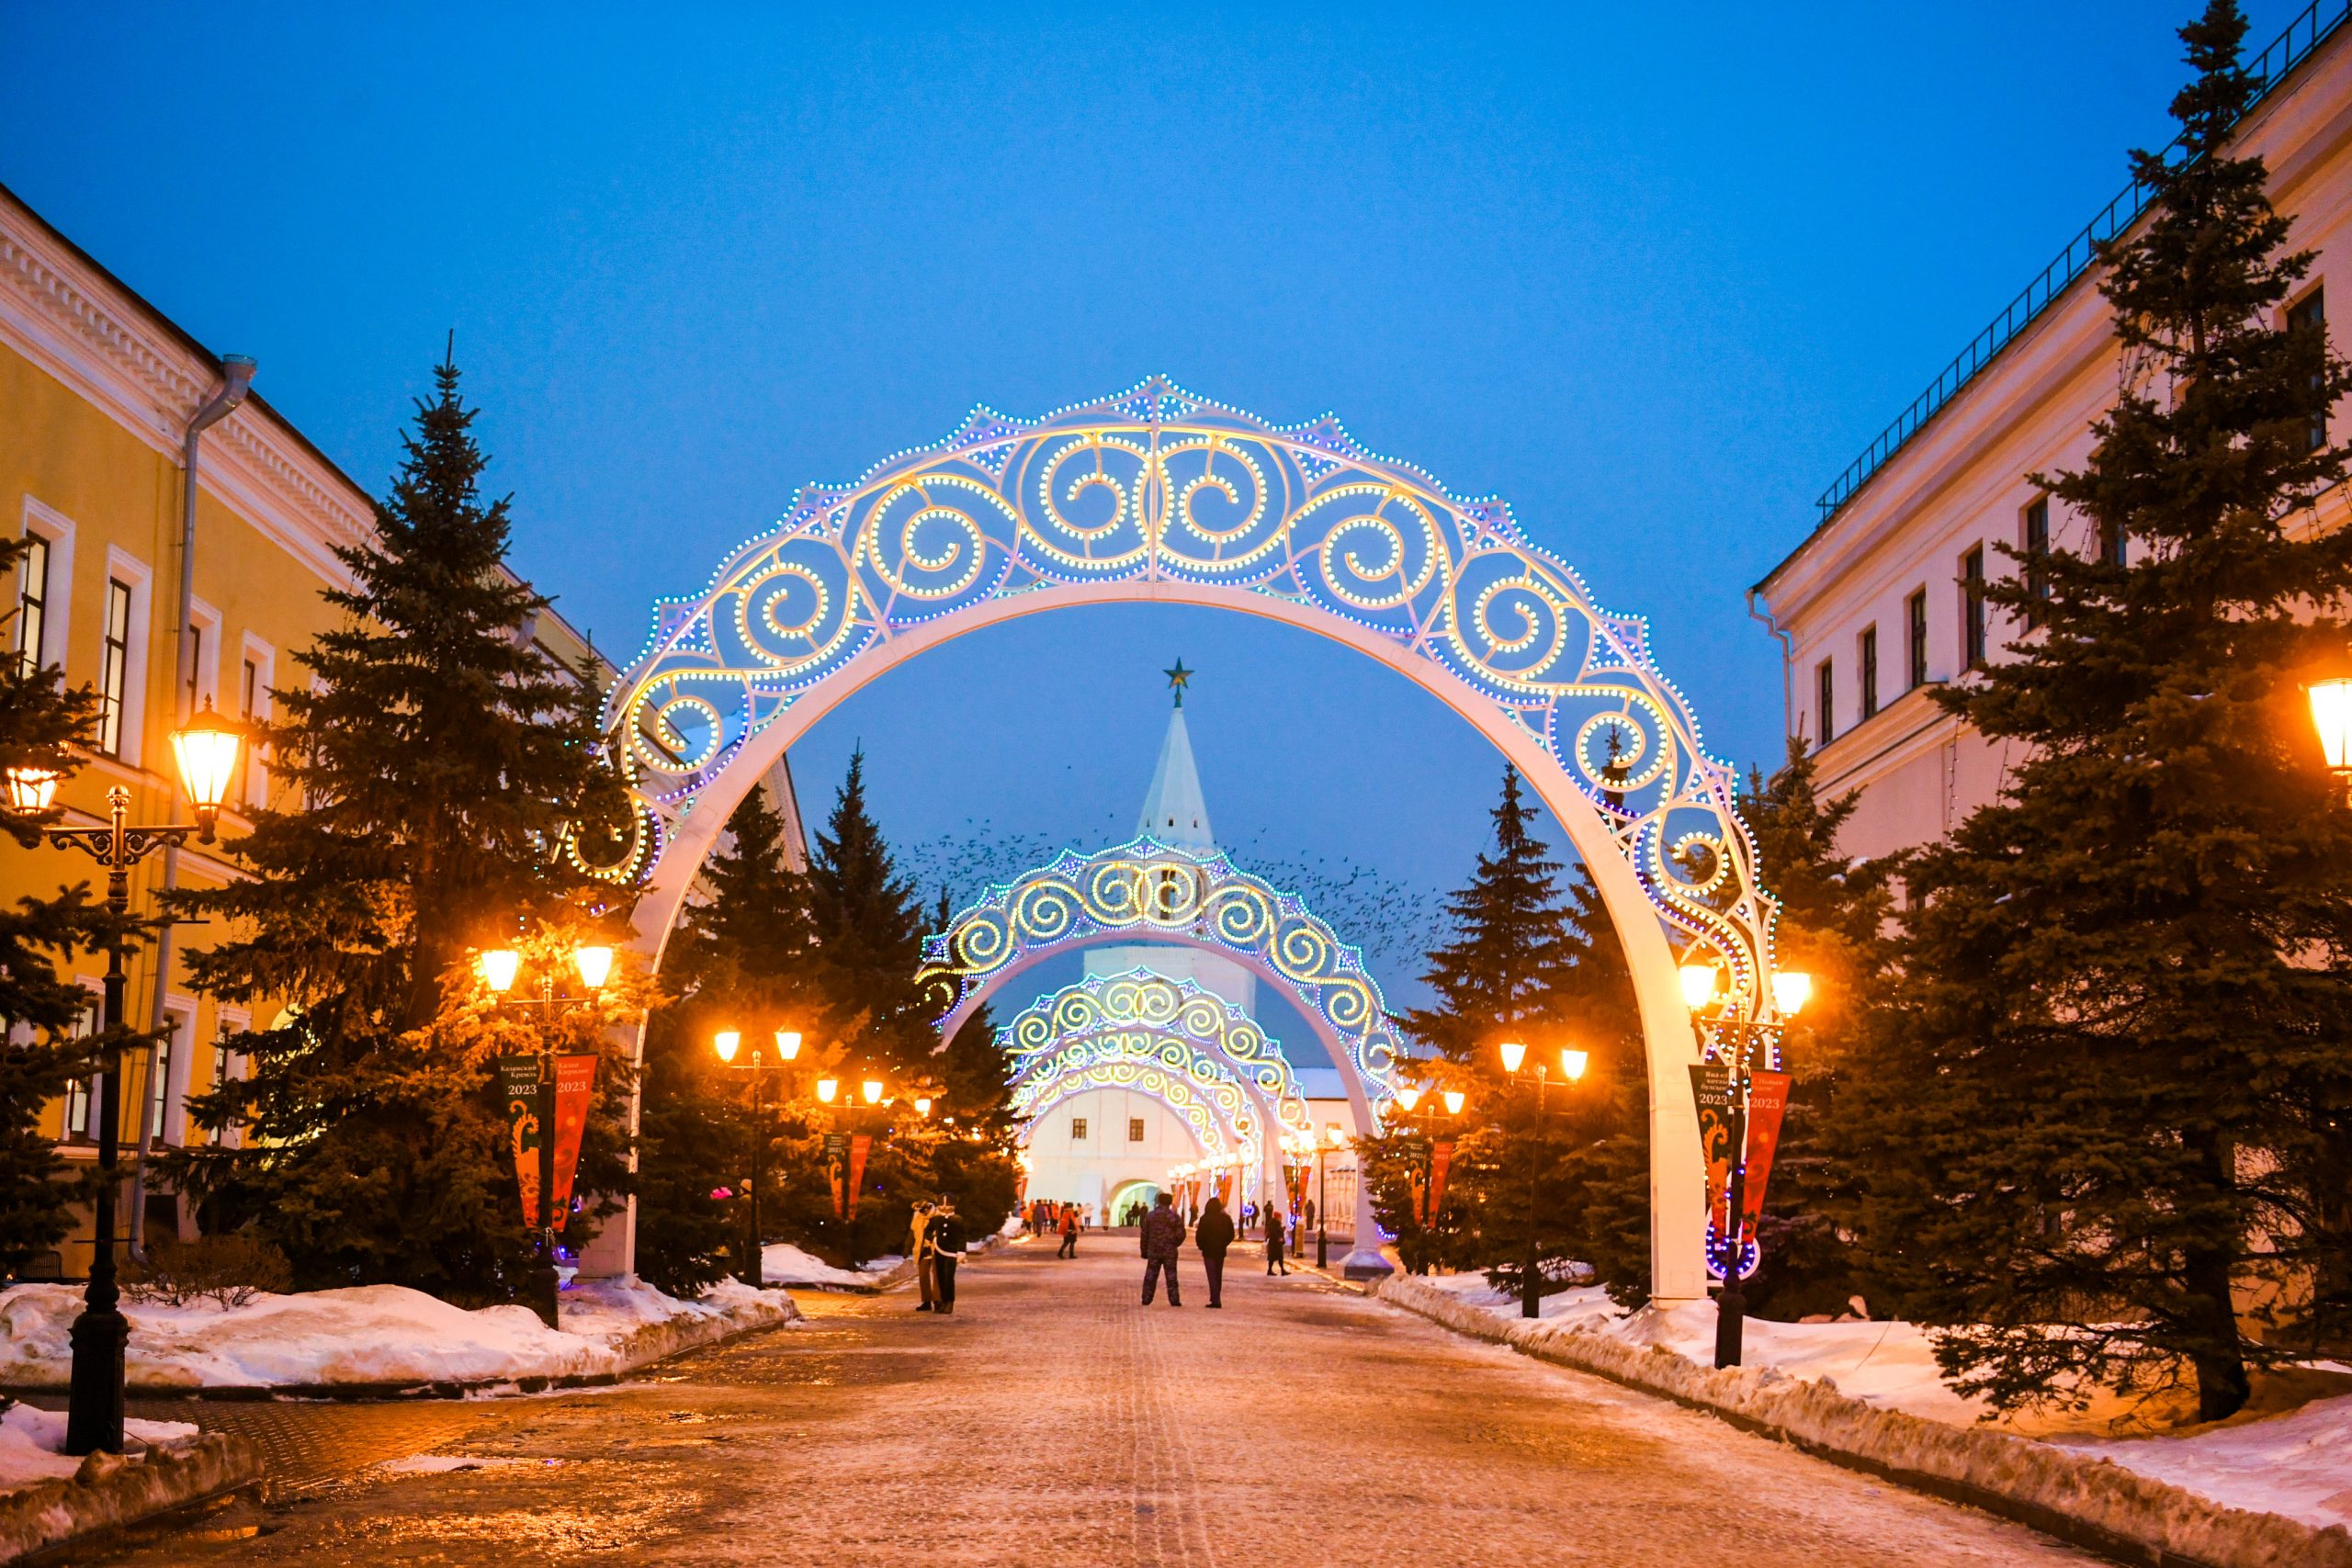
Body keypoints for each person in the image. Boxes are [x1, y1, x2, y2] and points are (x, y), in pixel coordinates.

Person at [1138, 1191, 1185, 1306]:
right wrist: (1174, 1244)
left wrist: (1144, 1250)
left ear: (1159, 1201)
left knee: (1150, 1275)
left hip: (1154, 1250)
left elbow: (1144, 1235)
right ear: (1170, 1202)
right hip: (1169, 1251)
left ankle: (1146, 1298)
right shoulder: (1174, 1217)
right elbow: (1181, 1234)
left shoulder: (1150, 1216)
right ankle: (1174, 1299)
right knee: (1171, 1276)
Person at [1194, 1195, 1235, 1308]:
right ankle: (1216, 1297)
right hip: (1220, 1250)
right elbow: (1231, 1234)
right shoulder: (1226, 1219)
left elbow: (1200, 1235)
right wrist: (1224, 1243)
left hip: (1208, 1251)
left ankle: (1215, 1299)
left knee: (1211, 1275)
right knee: (1218, 1274)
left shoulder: (1205, 1218)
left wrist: (1201, 1246)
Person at [926, 1201, 967, 1314]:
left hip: (952, 1253)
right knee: (941, 1278)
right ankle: (943, 1301)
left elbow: (962, 1236)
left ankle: (950, 1302)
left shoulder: (958, 1219)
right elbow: (927, 1231)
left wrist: (961, 1251)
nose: (945, 1207)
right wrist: (933, 1239)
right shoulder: (936, 1219)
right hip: (939, 1250)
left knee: (949, 1278)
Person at [910, 1199, 937, 1312]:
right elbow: (913, 1231)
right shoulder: (917, 1216)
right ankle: (926, 1301)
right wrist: (908, 1246)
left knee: (938, 1276)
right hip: (922, 1249)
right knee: (923, 1275)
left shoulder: (937, 1215)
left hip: (937, 1249)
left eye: (923, 1211)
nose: (922, 1213)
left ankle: (938, 1301)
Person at [1264, 1208, 1288, 1276]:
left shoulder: (1274, 1223)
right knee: (1277, 1257)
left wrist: (1282, 1229)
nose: (1281, 1218)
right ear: (1278, 1217)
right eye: (1280, 1217)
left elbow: (1276, 1231)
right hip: (1275, 1243)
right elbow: (1274, 1232)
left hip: (1274, 1243)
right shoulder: (1275, 1224)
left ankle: (1278, 1270)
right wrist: (1279, 1238)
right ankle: (1281, 1270)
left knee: (1274, 1257)